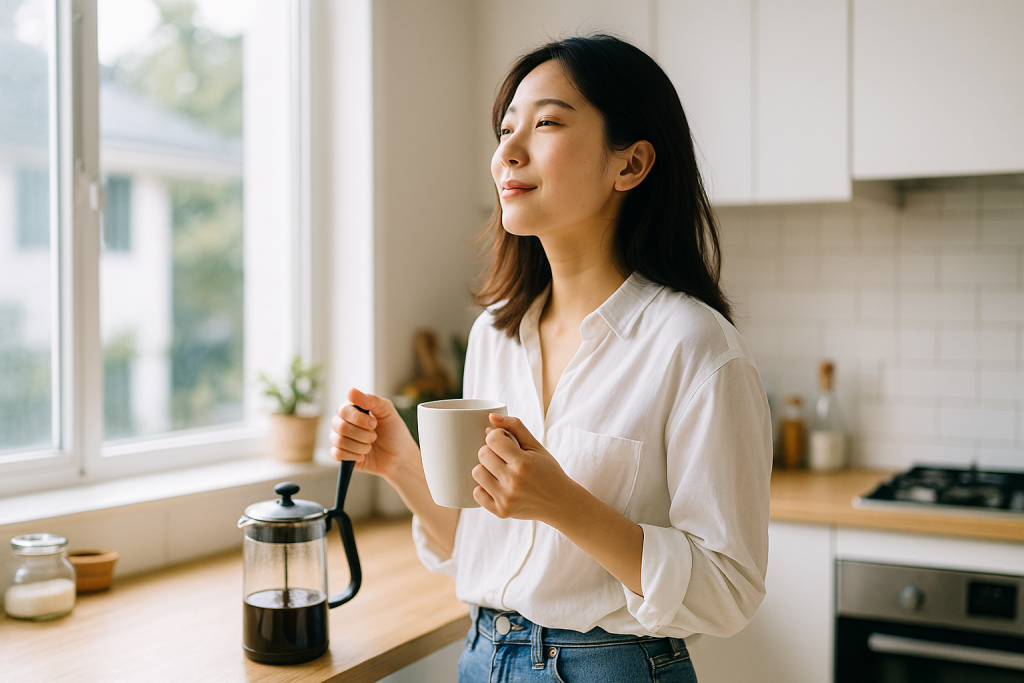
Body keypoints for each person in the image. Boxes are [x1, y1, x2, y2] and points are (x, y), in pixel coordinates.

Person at [331, 34, 772, 683]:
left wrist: (565, 503)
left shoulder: (694, 345)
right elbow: (482, 549)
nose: (508, 151)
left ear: (631, 164)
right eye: (505, 129)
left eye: (546, 124)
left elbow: (729, 589)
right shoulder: (495, 335)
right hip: (483, 657)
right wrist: (401, 463)